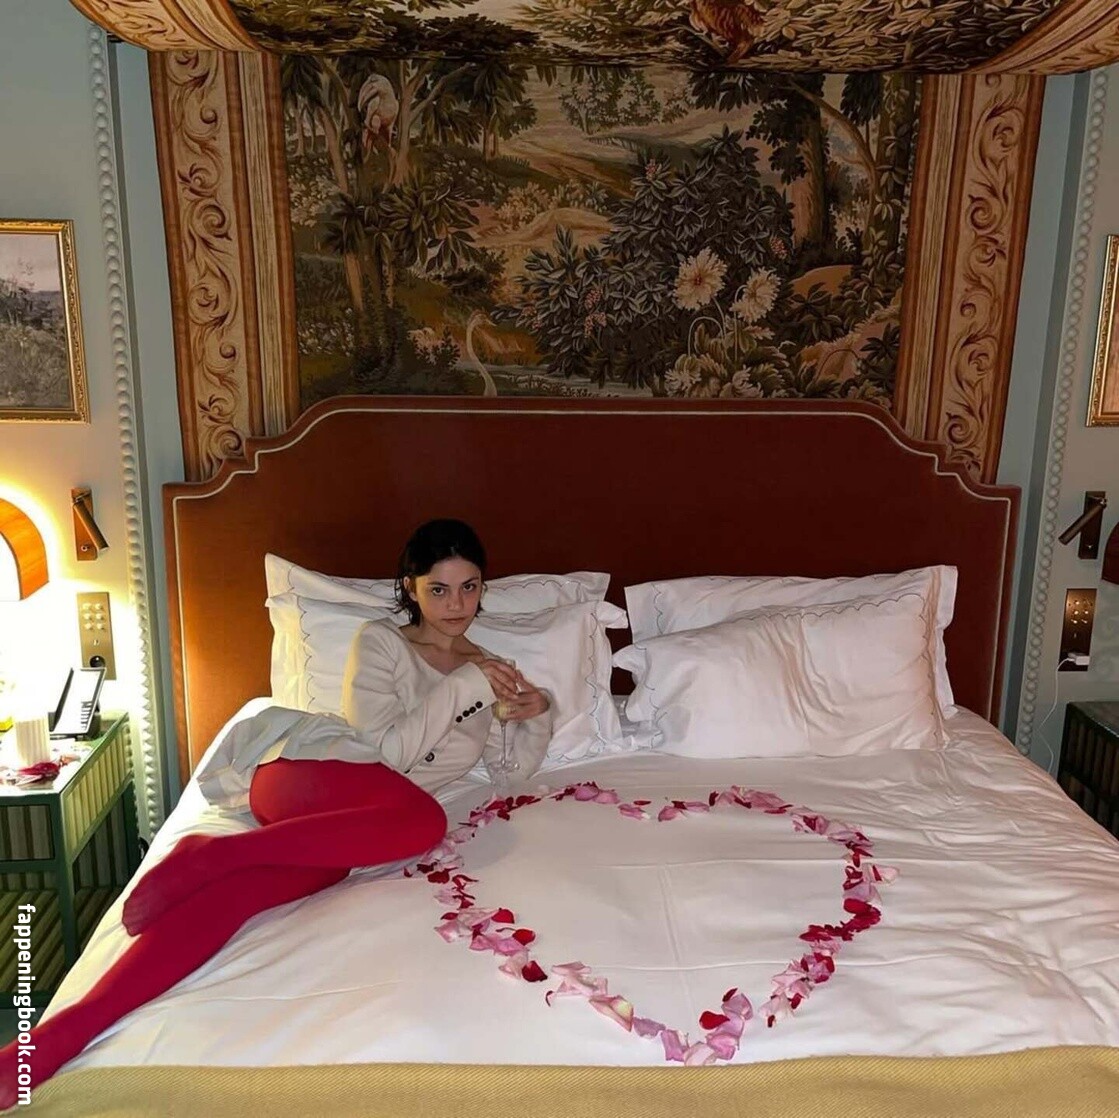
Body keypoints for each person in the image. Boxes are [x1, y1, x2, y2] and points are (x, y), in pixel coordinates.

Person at [0, 519, 552, 1105]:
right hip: (311, 771)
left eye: (469, 587)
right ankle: (217, 852)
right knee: (424, 824)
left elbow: (508, 774)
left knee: (247, 894)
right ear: (410, 588)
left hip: (358, 827)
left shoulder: (487, 669)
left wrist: (537, 713)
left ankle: (47, 1043)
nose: (456, 604)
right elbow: (387, 753)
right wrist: (465, 685)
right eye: (438, 589)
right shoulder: (383, 643)